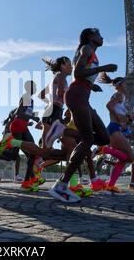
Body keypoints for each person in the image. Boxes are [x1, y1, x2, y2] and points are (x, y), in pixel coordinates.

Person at [49, 28, 118, 203]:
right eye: (98, 32)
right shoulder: (87, 48)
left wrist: (92, 85)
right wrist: (104, 68)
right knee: (87, 140)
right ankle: (61, 185)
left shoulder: (91, 52)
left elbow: (82, 75)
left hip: (83, 94)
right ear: (90, 36)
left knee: (103, 138)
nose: (102, 35)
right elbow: (77, 73)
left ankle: (64, 131)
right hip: (77, 95)